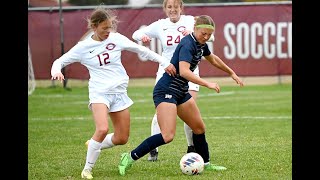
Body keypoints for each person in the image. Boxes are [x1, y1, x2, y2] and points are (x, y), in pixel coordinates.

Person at [50, 6, 176, 179]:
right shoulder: (83, 47)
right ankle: (87, 169)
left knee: (122, 138)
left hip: (119, 92)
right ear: (94, 27)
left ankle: (94, 145)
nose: (108, 31)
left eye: (110, 27)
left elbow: (142, 50)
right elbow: (60, 61)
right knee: (102, 129)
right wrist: (56, 71)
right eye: (104, 28)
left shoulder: (116, 38)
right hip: (99, 93)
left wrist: (164, 62)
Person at [118, 15, 244, 176]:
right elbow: (184, 72)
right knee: (167, 135)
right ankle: (129, 156)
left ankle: (205, 162)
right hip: (166, 90)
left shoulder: (200, 43)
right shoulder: (187, 44)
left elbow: (213, 59)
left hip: (181, 91)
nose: (206, 37)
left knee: (198, 128)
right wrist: (208, 83)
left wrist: (231, 72)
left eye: (208, 35)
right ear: (195, 29)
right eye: (203, 34)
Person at [132, 0, 214, 161]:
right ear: (165, 9)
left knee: (191, 115)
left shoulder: (191, 20)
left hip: (189, 74)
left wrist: (193, 32)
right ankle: (153, 150)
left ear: (181, 8)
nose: (173, 10)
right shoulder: (160, 25)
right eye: (169, 7)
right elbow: (135, 34)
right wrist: (142, 36)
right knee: (160, 116)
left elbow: (208, 32)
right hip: (167, 73)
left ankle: (192, 149)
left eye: (176, 7)